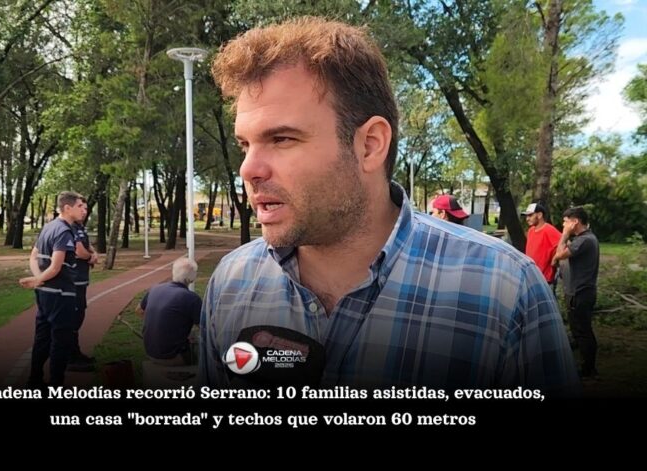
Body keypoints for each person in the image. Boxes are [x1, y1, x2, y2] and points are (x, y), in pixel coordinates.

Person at [200, 17, 578, 393]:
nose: (249, 168)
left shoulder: (505, 291)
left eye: (281, 139)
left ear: (369, 145)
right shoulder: (232, 283)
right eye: (245, 145)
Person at [19, 191, 87, 387]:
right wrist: (38, 279)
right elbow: (56, 266)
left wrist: (38, 280)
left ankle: (34, 379)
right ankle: (56, 383)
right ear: (67, 208)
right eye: (79, 206)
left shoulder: (47, 228)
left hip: (45, 294)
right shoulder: (64, 231)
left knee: (42, 338)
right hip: (61, 293)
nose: (83, 211)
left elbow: (33, 257)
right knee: (61, 340)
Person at [553, 206, 600, 378]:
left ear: (575, 222)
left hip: (581, 293)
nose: (563, 225)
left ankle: (589, 369)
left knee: (583, 331)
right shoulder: (582, 239)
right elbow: (560, 258)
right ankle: (584, 363)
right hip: (576, 292)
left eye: (565, 222)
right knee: (578, 329)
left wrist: (564, 235)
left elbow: (559, 255)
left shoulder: (585, 240)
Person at [139, 258, 202, 366]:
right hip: (173, 356)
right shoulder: (191, 298)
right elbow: (205, 327)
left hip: (150, 352)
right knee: (203, 347)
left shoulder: (155, 289)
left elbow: (139, 310)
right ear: (191, 278)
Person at [67, 199, 99, 372]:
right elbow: (79, 251)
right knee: (74, 317)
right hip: (74, 280)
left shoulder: (79, 226)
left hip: (81, 279)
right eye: (81, 207)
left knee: (79, 315)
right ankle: (71, 357)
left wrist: (92, 253)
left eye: (86, 208)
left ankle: (75, 352)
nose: (84, 211)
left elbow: (86, 246)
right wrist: (90, 257)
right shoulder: (69, 227)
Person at [522, 201, 561, 288]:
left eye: (530, 215)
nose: (527, 219)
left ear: (539, 215)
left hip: (544, 280)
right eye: (526, 216)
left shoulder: (549, 230)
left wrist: (556, 258)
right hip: (530, 277)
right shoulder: (531, 230)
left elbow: (566, 244)